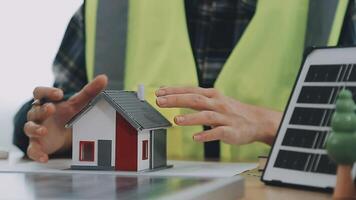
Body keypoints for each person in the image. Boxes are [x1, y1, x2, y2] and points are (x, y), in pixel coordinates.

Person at [13, 0, 356, 163]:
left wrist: (274, 125)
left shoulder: (337, 7)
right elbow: (57, 114)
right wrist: (55, 132)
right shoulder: (112, 7)